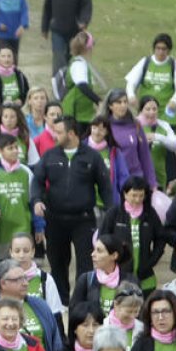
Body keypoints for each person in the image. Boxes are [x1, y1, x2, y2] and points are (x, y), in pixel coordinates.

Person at [31, 116, 112, 303]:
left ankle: (83, 302)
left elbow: (105, 186)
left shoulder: (92, 156)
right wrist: (36, 200)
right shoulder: (50, 156)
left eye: (58, 132)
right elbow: (37, 181)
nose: (54, 135)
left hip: (84, 219)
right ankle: (61, 302)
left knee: (86, 263)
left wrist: (110, 212)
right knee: (58, 263)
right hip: (55, 218)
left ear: (71, 133)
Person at [98, 176, 168, 293]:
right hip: (118, 276)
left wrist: (151, 261)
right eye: (134, 195)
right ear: (125, 194)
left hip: (145, 277)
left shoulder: (150, 214)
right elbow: (103, 240)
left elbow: (160, 239)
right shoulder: (114, 213)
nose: (137, 199)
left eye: (141, 195)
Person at [0, 259, 65, 351]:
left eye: (25, 278)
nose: (25, 283)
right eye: (19, 279)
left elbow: (56, 344)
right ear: (3, 283)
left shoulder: (41, 306)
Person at [124, 34, 176, 130]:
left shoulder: (174, 65)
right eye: (158, 48)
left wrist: (174, 101)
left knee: (165, 142)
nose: (160, 52)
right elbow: (131, 82)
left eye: (164, 49)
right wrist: (131, 96)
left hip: (166, 112)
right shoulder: (146, 62)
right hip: (146, 113)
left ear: (169, 50)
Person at [41, 0, 92, 76]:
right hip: (57, 30)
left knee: (72, 57)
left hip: (74, 31)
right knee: (59, 57)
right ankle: (58, 82)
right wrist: (44, 28)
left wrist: (84, 21)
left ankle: (72, 79)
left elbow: (86, 6)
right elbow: (47, 8)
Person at [70, 234, 139, 315]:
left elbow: (137, 314)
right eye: (94, 249)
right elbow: (74, 313)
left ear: (114, 255)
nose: (93, 254)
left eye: (99, 251)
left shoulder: (131, 282)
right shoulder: (86, 280)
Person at [104, 89, 158, 189]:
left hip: (135, 180)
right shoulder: (103, 126)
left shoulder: (135, 125)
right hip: (112, 180)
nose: (123, 105)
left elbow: (145, 155)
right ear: (110, 106)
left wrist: (152, 183)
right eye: (119, 102)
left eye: (125, 102)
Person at [137, 95, 176, 191]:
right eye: (147, 109)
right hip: (137, 176)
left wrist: (157, 137)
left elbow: (175, 145)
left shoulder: (164, 125)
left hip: (159, 177)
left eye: (154, 109)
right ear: (141, 110)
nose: (151, 112)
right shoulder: (134, 125)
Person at [60, 32, 99, 132]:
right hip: (76, 114)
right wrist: (98, 101)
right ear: (87, 48)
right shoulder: (78, 65)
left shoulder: (81, 63)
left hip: (83, 113)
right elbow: (82, 86)